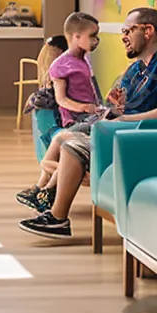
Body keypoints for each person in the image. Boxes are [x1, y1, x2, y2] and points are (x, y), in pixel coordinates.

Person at [19, 7, 157, 239]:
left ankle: (57, 217)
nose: (123, 36)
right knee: (67, 138)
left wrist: (123, 119)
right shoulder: (138, 68)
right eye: (122, 31)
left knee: (73, 146)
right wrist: (119, 107)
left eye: (128, 30)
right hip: (130, 135)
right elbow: (131, 107)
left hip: (156, 142)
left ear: (148, 30)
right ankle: (47, 196)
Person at [17, 13, 100, 213]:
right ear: (76, 36)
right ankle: (47, 192)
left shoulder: (84, 61)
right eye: (93, 36)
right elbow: (61, 99)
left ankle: (42, 191)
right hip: (76, 118)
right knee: (66, 146)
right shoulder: (61, 65)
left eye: (98, 36)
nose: (97, 41)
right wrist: (84, 107)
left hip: (90, 116)